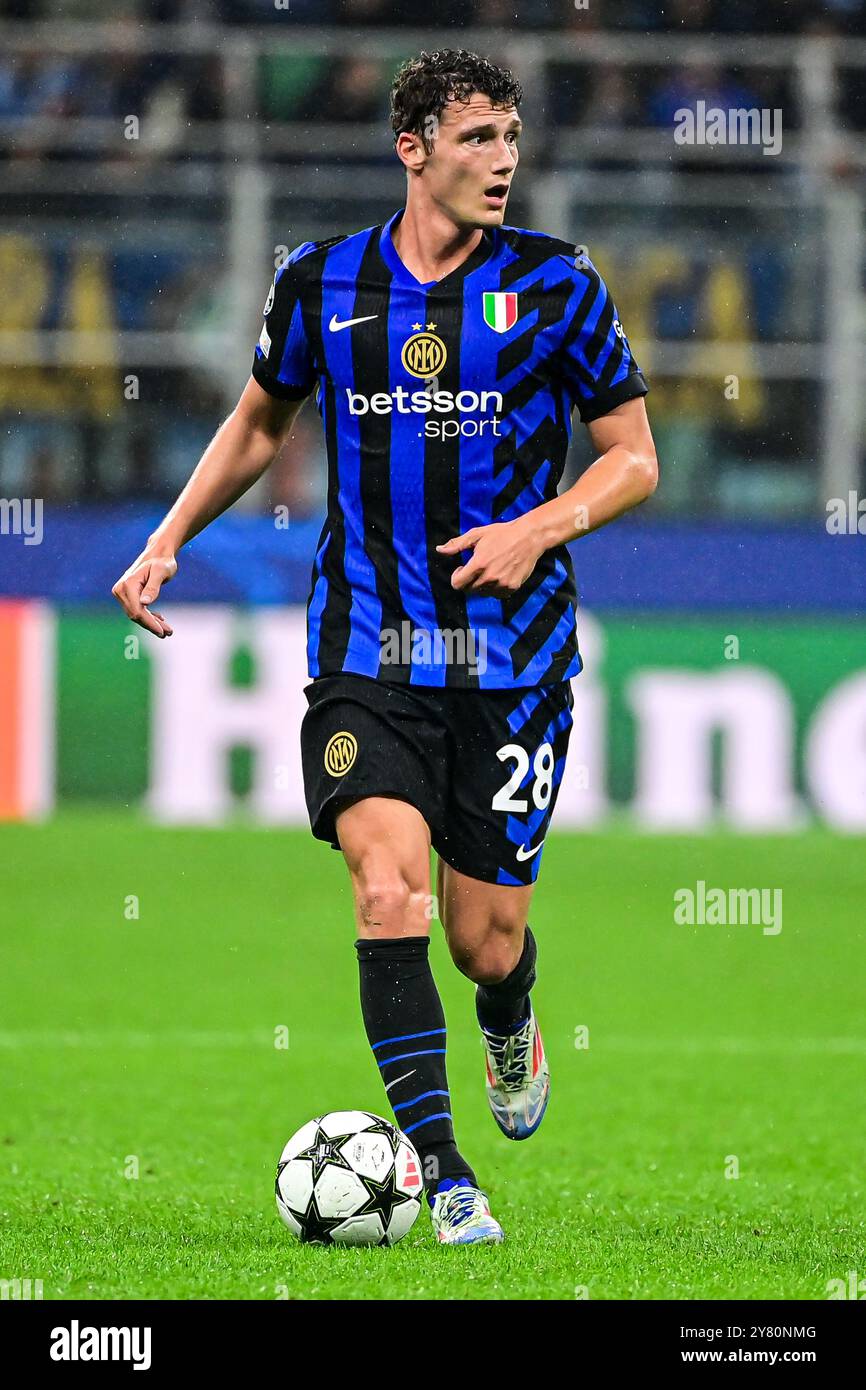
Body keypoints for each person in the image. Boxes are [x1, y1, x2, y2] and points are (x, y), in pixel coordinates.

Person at [112, 48, 658, 1246]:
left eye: (509, 136)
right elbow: (262, 417)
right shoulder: (319, 282)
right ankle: (445, 1172)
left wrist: (539, 525)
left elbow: (632, 455)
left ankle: (509, 1014)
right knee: (385, 891)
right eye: (474, 138)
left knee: (482, 937)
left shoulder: (557, 286)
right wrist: (167, 538)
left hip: (511, 660)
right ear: (410, 148)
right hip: (367, 649)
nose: (501, 160)